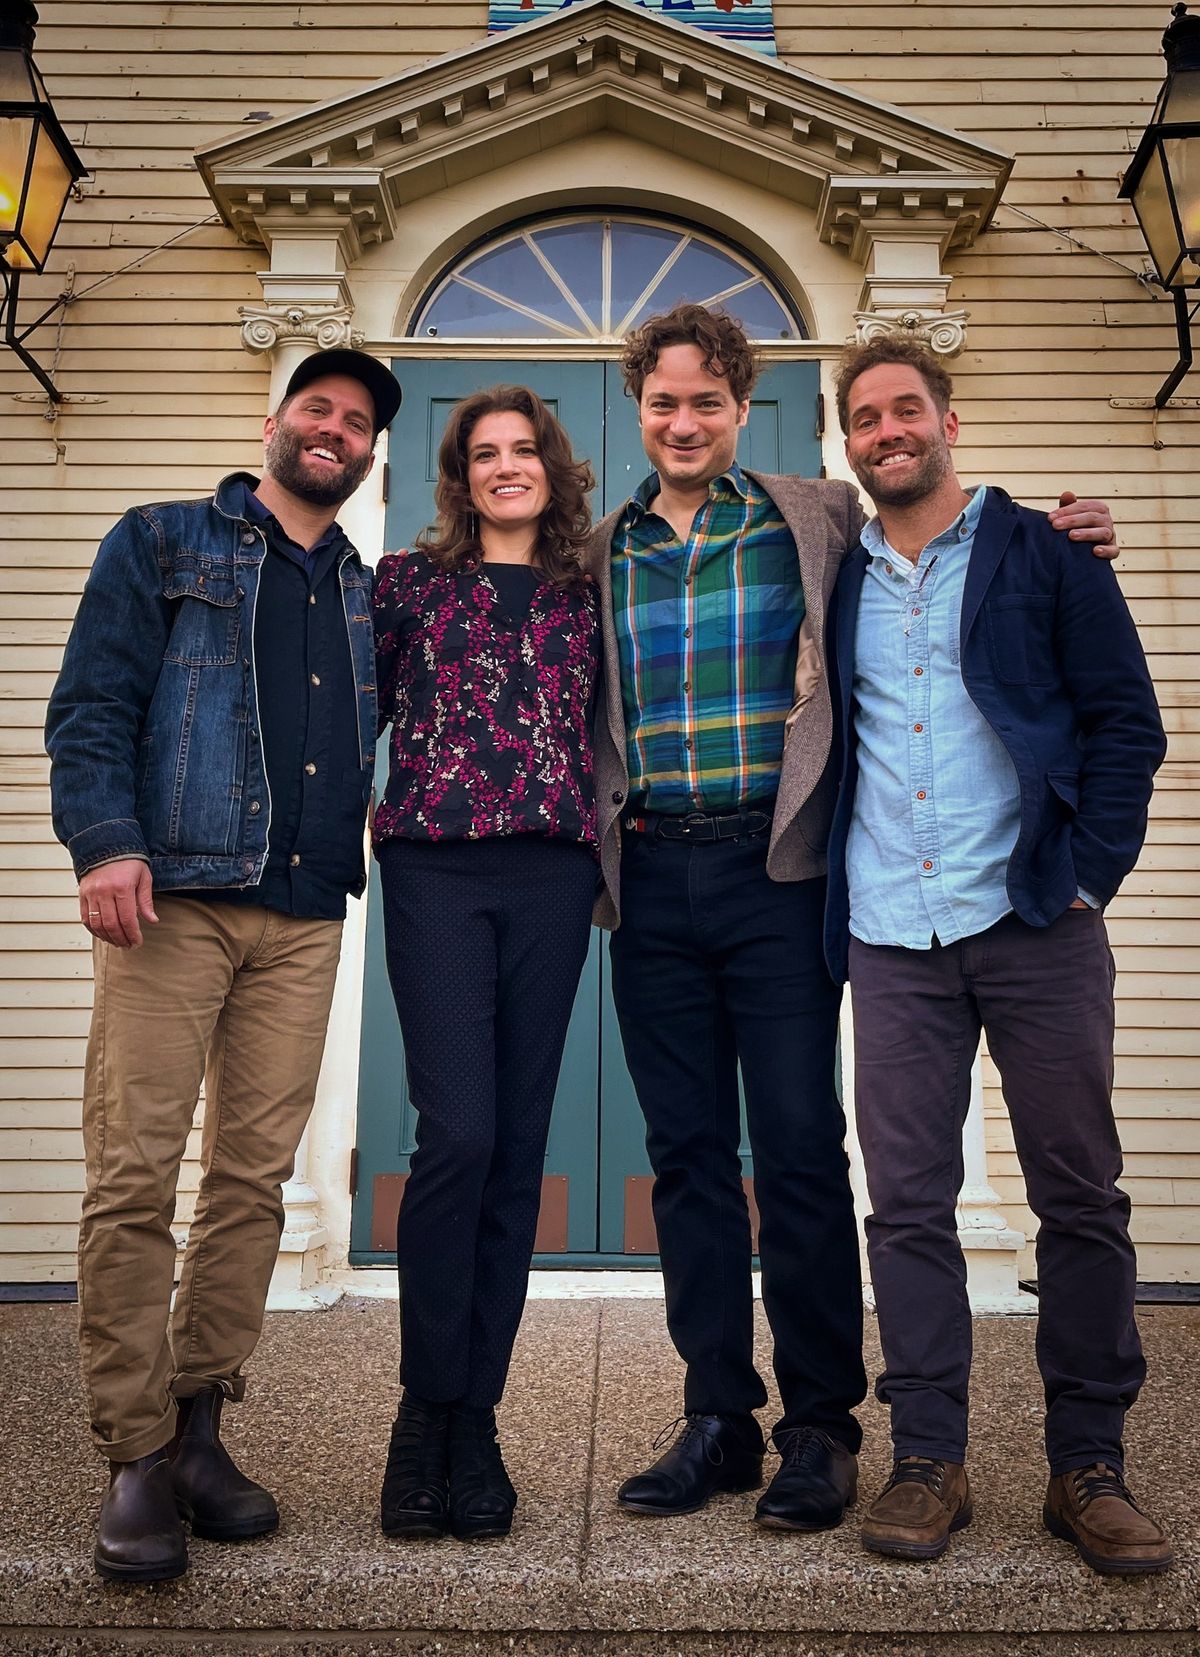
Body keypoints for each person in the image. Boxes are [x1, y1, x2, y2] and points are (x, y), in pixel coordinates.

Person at [585, 303, 1120, 1532]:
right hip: (655, 877)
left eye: (706, 401)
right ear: (639, 408)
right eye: (663, 402)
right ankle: (718, 1414)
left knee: (804, 1151)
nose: (683, 420)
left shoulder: (813, 516)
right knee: (686, 1162)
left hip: (783, 876)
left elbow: (951, 527)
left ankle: (819, 1425)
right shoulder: (597, 548)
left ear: (741, 408)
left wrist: (1067, 528)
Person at [44, 347, 401, 1583]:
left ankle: (200, 1425)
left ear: (367, 456)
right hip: (173, 895)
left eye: (357, 423)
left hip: (304, 912)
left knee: (251, 1181)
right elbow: (92, 703)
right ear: (276, 421)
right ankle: (133, 1452)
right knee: (134, 1174)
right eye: (320, 408)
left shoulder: (368, 585)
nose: (335, 431)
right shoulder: (160, 541)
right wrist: (104, 841)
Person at [823, 335, 1170, 1573]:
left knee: (1078, 1196)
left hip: (1034, 922)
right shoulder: (838, 569)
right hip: (890, 933)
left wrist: (1087, 879)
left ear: (947, 421)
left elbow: (1129, 723)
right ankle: (930, 1458)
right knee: (907, 1205)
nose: (886, 432)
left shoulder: (1041, 551)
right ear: (848, 442)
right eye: (864, 418)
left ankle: (1089, 1466)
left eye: (905, 410)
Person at [372, 385, 601, 1543]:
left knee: (515, 1150)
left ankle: (478, 1421)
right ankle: (425, 1410)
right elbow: (325, 699)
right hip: (436, 872)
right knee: (457, 1134)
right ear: (457, 477)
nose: (506, 467)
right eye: (483, 454)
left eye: (524, 450)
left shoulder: (590, 589)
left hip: (554, 878)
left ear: (553, 468)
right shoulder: (405, 586)